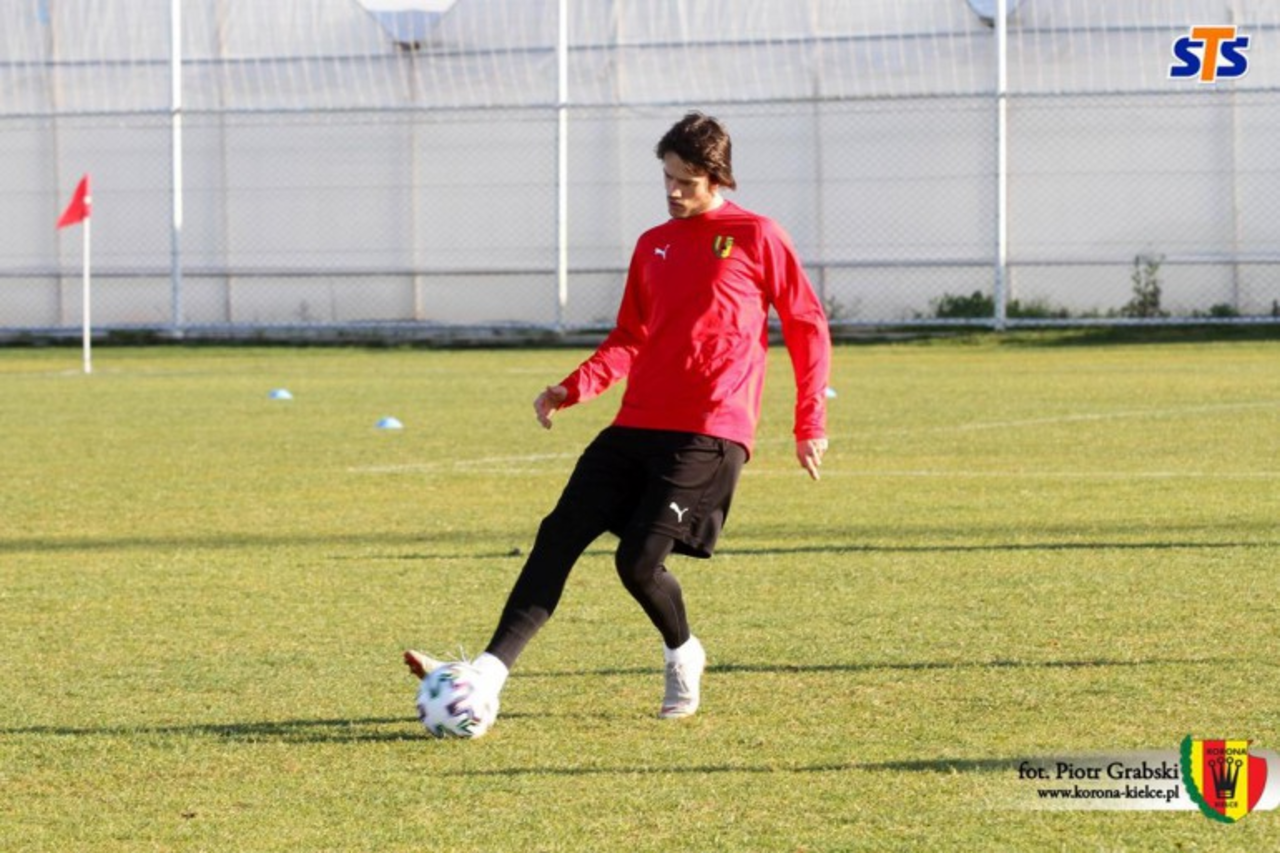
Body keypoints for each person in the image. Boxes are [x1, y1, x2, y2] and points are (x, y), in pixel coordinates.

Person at [406, 111, 831, 722]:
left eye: (686, 181)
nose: (673, 191)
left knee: (637, 562)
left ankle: (683, 652)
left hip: (709, 430)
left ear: (717, 177)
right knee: (558, 534)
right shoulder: (653, 244)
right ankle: (486, 677)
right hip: (636, 424)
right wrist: (572, 388)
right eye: (667, 178)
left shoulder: (756, 235)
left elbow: (806, 323)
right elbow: (631, 335)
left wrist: (808, 421)